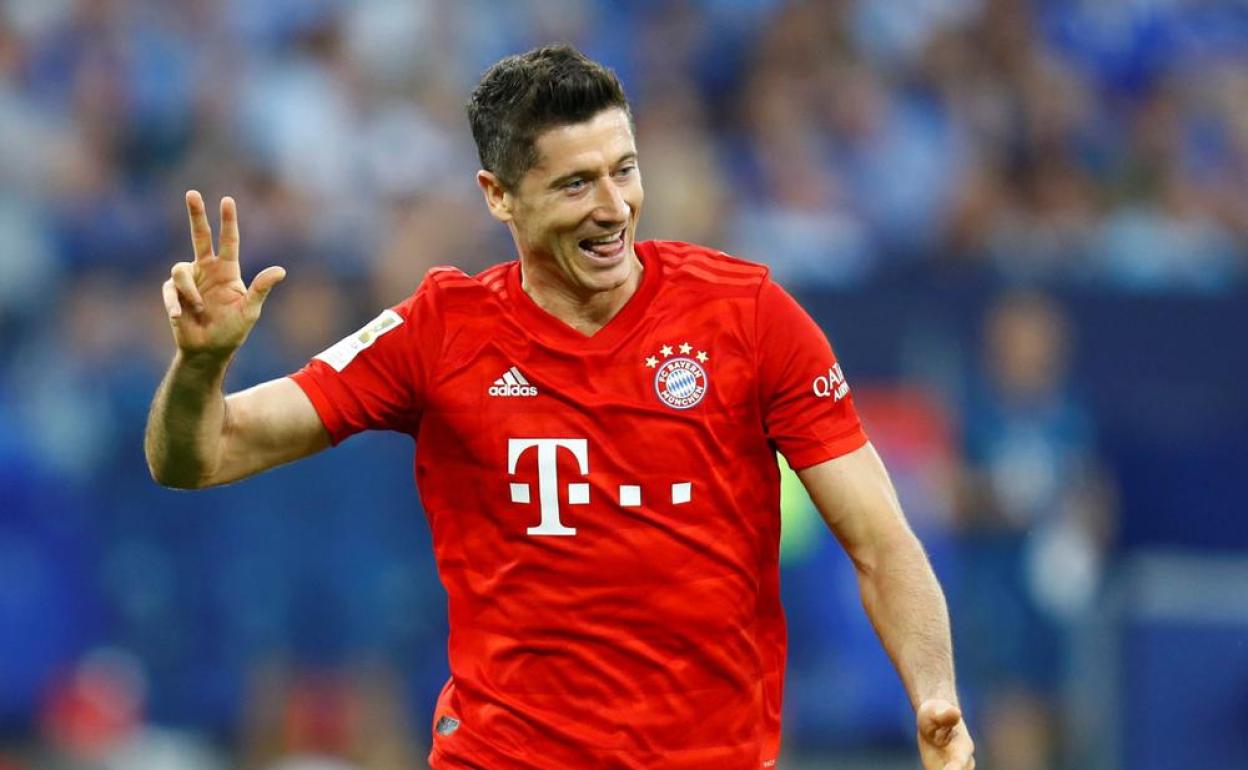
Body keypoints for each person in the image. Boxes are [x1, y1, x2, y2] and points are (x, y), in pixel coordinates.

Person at [145, 44, 974, 770]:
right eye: (576, 183)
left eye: (625, 170)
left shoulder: (749, 317)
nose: (613, 207)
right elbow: (198, 456)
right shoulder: (439, 332)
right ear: (499, 195)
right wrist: (200, 367)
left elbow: (880, 541)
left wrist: (935, 696)